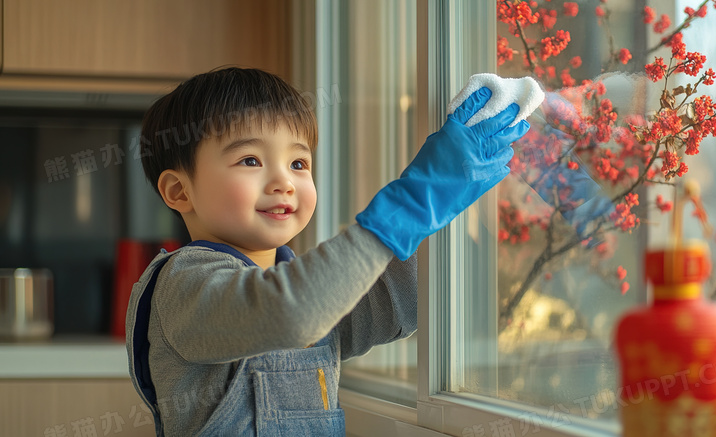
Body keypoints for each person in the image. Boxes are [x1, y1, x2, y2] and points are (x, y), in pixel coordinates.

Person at [126, 67, 530, 436]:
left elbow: (397, 299)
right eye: (250, 160)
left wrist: (457, 206)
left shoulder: (309, 285)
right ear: (179, 191)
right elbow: (289, 311)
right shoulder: (186, 283)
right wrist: (410, 203)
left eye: (299, 163)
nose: (284, 181)